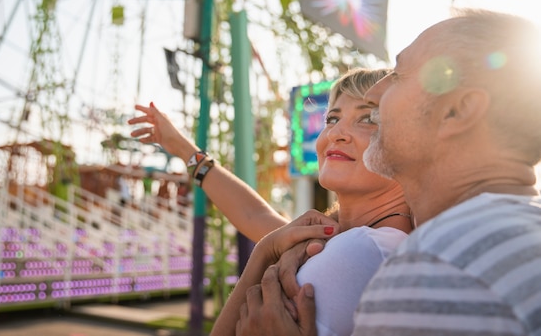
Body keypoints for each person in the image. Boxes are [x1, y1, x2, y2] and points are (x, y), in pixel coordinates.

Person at [238, 9, 541, 336]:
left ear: (457, 111)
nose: (374, 93)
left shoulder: (434, 269)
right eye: (332, 118)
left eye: (398, 75)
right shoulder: (497, 241)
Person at [129, 68, 413, 336]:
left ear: (408, 144)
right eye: (332, 119)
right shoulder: (344, 240)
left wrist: (264, 252)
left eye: (367, 119)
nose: (336, 133)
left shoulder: (359, 250)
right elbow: (254, 215)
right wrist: (182, 147)